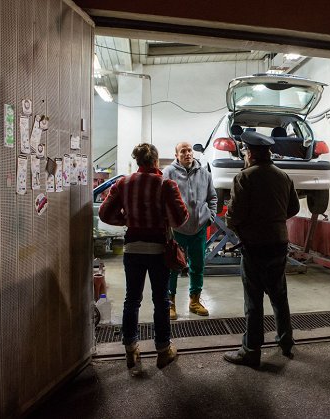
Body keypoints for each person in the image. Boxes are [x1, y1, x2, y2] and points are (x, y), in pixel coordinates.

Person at [99, 143, 189, 374]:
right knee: (161, 301)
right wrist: (164, 219)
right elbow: (180, 218)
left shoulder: (123, 183)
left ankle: (131, 349)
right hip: (159, 250)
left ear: (137, 162)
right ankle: (163, 351)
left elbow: (105, 213)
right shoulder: (166, 184)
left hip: (133, 248)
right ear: (156, 162)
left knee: (132, 300)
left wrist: (128, 220)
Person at [223, 131, 300, 367]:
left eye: (246, 152)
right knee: (279, 295)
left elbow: (233, 216)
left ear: (250, 154)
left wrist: (243, 225)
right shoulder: (283, 176)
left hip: (255, 245)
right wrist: (274, 220)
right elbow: (294, 208)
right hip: (278, 242)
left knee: (254, 301)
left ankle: (251, 350)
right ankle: (286, 342)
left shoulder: (245, 177)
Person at [162, 141, 217, 319]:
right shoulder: (168, 173)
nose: (187, 153)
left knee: (198, 266)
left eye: (189, 150)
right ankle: (170, 303)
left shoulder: (205, 173)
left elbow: (213, 197)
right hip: (177, 229)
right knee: (173, 267)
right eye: (183, 151)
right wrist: (168, 221)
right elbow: (161, 198)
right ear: (176, 155)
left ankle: (194, 301)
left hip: (198, 228)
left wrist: (210, 217)